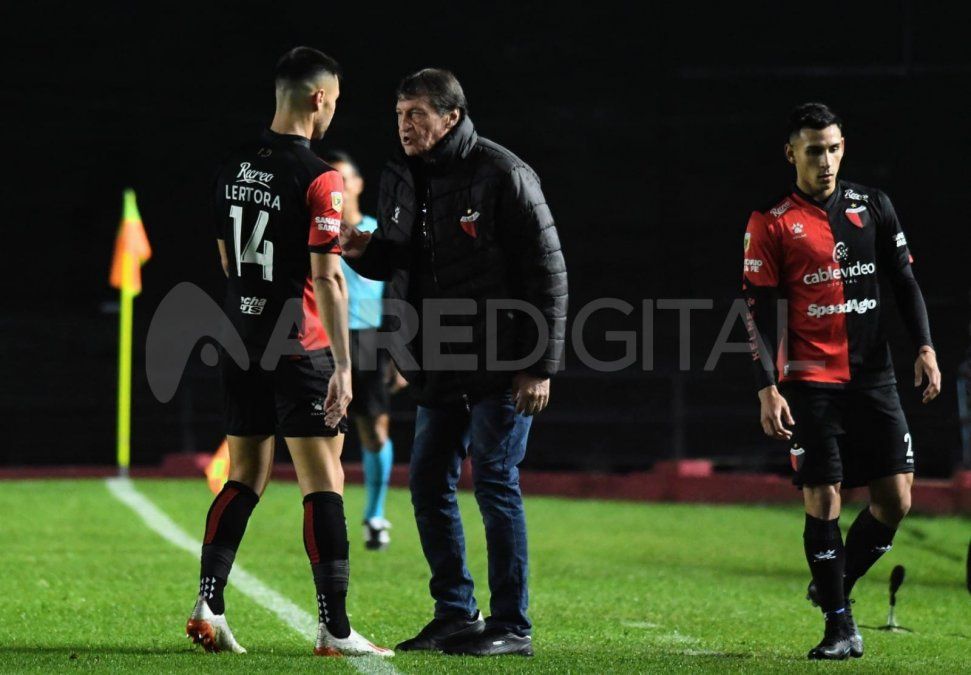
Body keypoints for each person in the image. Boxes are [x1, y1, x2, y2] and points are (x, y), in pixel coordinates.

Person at [341, 68, 567, 656]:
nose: (404, 125)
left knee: (494, 480)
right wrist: (364, 252)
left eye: (416, 113)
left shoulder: (503, 173)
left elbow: (548, 271)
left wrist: (540, 364)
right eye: (399, 114)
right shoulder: (399, 175)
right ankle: (456, 614)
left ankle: (512, 625)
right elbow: (403, 261)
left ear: (452, 117)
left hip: (502, 361)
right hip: (438, 361)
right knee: (426, 483)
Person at [186, 46, 392, 658]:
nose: (333, 112)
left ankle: (208, 603)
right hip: (301, 346)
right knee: (323, 481)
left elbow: (227, 259)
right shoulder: (321, 178)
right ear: (319, 97)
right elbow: (327, 277)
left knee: (244, 477)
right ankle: (335, 629)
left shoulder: (231, 167)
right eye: (335, 101)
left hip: (240, 338)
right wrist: (345, 367)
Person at [742, 102, 941, 660]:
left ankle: (835, 584)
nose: (825, 161)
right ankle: (838, 627)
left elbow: (904, 282)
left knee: (895, 499)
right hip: (810, 381)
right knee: (823, 495)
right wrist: (766, 385)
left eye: (832, 149)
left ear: (843, 147)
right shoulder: (771, 221)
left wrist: (925, 347)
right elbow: (755, 311)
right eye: (813, 151)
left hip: (874, 375)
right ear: (791, 154)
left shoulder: (873, 205)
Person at [322, 150, 401, 551]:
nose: (339, 185)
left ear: (357, 184)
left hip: (368, 340)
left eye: (344, 177)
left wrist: (401, 354)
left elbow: (400, 295)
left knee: (373, 432)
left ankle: (375, 515)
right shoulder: (317, 232)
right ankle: (326, 521)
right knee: (322, 434)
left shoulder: (378, 232)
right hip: (323, 340)